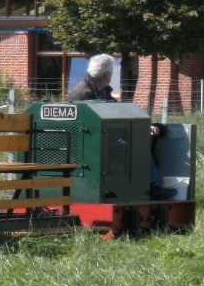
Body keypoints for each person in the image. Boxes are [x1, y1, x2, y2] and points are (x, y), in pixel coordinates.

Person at [68, 54, 174, 200]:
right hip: (94, 141)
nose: (112, 74)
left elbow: (118, 115)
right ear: (106, 74)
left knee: (138, 139)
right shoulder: (81, 94)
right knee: (135, 145)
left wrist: (144, 128)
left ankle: (150, 184)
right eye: (111, 71)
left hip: (107, 135)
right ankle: (151, 185)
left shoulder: (104, 91)